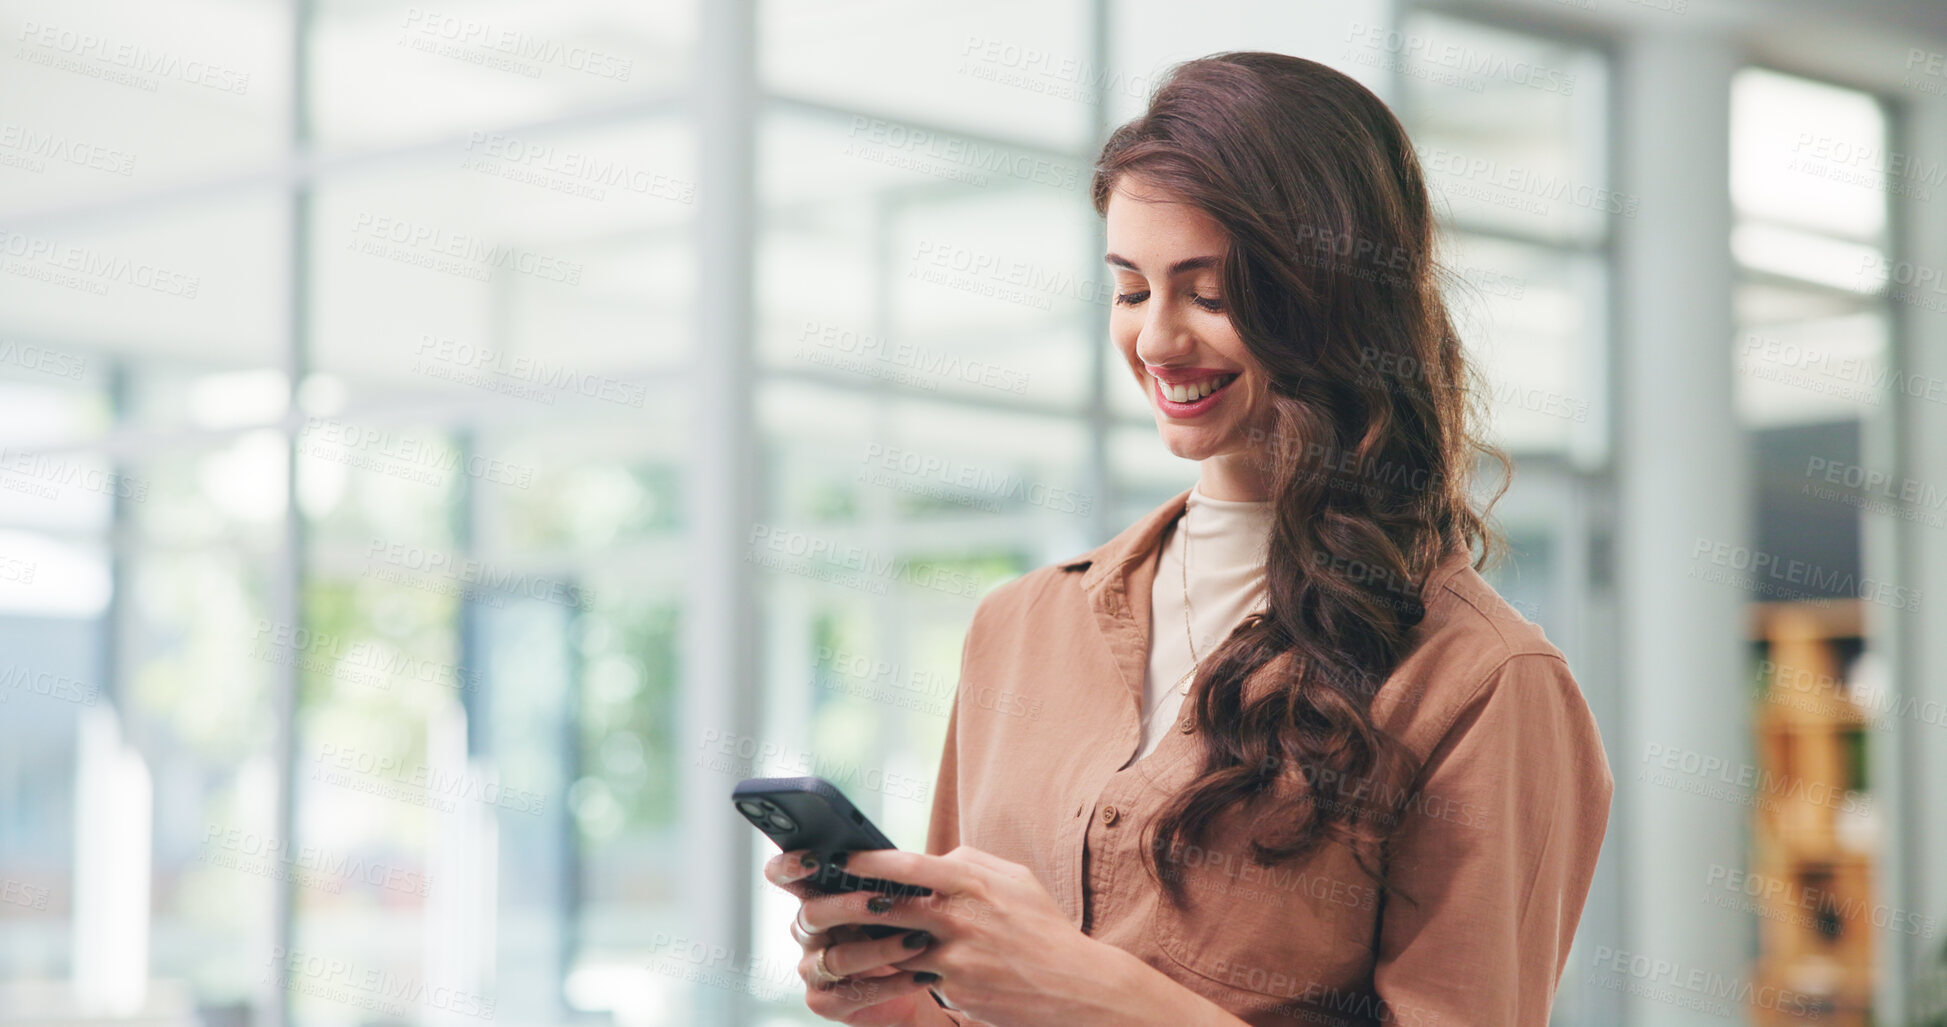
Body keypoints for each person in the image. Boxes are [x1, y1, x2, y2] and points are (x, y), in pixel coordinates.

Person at [763, 50, 1613, 1027]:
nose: (1158, 341)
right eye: (1131, 290)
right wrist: (898, 1001)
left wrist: (1085, 988)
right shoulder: (1020, 625)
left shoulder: (1482, 682)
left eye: (1207, 294)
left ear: (1331, 301)